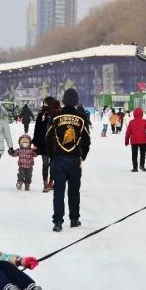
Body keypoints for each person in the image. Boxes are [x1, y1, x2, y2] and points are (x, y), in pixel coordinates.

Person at [46, 88, 91, 232]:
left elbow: (47, 137)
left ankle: (58, 221)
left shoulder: (56, 116)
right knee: (74, 191)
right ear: (76, 100)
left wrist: (52, 155)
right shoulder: (81, 117)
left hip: (59, 158)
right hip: (74, 159)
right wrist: (82, 156)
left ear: (64, 100)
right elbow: (87, 140)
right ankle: (74, 218)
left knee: (58, 191)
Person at [32, 97, 59, 193]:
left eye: (46, 104)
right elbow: (37, 130)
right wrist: (35, 142)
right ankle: (45, 183)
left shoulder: (56, 115)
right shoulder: (40, 115)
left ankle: (51, 182)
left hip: (54, 144)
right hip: (43, 143)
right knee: (45, 163)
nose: (45, 105)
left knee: (53, 164)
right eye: (44, 104)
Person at [125, 107, 146, 172]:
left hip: (134, 141)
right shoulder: (144, 121)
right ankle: (142, 165)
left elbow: (128, 133)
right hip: (143, 141)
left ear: (134, 114)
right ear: (142, 114)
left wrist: (126, 141)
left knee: (134, 155)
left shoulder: (131, 122)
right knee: (143, 154)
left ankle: (135, 168)